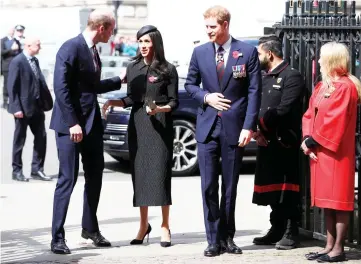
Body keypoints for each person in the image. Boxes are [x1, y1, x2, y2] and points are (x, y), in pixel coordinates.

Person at [184, 5, 261, 257]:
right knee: (208, 186)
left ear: (225, 25)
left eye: (212, 27)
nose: (208, 32)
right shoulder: (200, 53)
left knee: (230, 187)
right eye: (206, 27)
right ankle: (212, 239)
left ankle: (228, 237)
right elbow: (190, 85)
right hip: (207, 128)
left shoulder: (246, 52)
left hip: (234, 129)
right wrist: (206, 97)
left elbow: (254, 92)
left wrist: (248, 126)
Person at [49, 9, 124, 254]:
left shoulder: (93, 51)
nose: (112, 34)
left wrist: (118, 80)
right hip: (69, 125)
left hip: (91, 124)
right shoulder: (70, 48)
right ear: (102, 27)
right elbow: (60, 88)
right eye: (111, 29)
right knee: (67, 179)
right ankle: (57, 237)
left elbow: (90, 88)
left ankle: (89, 228)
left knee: (96, 176)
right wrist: (72, 123)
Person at [102, 25, 178, 248]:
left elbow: (174, 102)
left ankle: (165, 225)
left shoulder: (167, 69)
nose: (143, 46)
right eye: (140, 42)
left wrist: (159, 109)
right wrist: (112, 102)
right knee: (140, 175)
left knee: (161, 174)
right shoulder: (132, 67)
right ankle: (144, 225)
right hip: (138, 125)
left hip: (160, 126)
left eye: (147, 42)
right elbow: (130, 99)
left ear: (155, 42)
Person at [302, 42, 361, 262]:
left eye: (322, 57)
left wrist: (314, 140)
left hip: (336, 153)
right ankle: (328, 245)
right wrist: (307, 140)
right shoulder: (322, 86)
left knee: (339, 201)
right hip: (320, 152)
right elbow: (309, 114)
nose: (318, 60)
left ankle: (339, 248)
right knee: (326, 202)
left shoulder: (346, 87)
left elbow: (334, 120)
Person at [251, 35, 304, 250]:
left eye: (259, 53)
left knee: (287, 189)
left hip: (284, 142)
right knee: (271, 189)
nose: (257, 57)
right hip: (265, 141)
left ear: (269, 54)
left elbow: (284, 109)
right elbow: (255, 105)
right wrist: (256, 131)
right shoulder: (262, 76)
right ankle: (277, 227)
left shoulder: (292, 76)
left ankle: (292, 230)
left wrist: (263, 127)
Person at [7, 37, 53, 182]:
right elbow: (11, 86)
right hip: (22, 109)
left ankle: (37, 169)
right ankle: (17, 170)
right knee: (19, 141)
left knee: (41, 138)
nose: (40, 48)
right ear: (28, 45)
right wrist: (16, 108)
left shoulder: (35, 60)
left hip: (37, 108)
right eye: (38, 45)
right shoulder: (18, 61)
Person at [1, 26, 22, 109]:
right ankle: (5, 102)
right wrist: (11, 49)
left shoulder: (16, 41)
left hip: (15, 66)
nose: (12, 32)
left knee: (15, 83)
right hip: (6, 66)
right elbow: (1, 52)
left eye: (14, 30)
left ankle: (13, 101)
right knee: (6, 84)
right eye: (11, 30)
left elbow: (20, 52)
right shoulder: (3, 40)